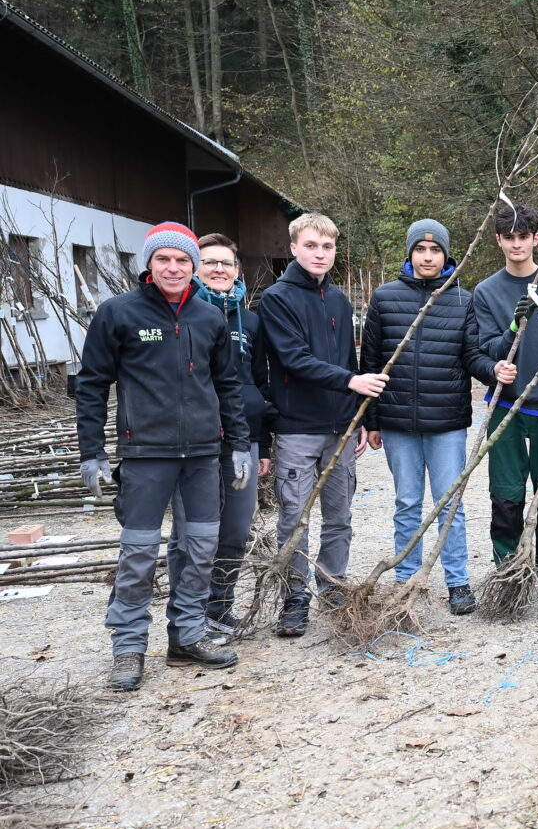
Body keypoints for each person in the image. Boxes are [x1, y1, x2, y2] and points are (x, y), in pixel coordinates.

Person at [75, 222, 248, 691]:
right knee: (138, 554)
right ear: (148, 264)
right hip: (145, 455)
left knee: (200, 549)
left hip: (202, 456)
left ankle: (186, 637)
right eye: (164, 259)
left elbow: (228, 386)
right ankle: (128, 647)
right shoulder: (118, 313)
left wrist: (238, 446)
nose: (173, 268)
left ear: (193, 266)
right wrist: (91, 452)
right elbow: (91, 383)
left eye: (182, 260)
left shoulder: (209, 318)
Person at [259, 213, 387, 637]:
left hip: (339, 427)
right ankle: (295, 597)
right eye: (311, 246)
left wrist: (359, 417)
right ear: (294, 247)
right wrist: (351, 381)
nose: (319, 254)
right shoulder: (277, 299)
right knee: (294, 516)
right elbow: (293, 358)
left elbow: (350, 362)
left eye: (327, 247)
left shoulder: (338, 300)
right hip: (298, 427)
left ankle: (333, 587)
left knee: (340, 515)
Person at [361, 219, 495, 615]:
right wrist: (371, 420)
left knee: (449, 503)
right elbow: (369, 362)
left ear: (446, 255)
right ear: (410, 253)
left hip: (446, 422)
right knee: (406, 502)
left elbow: (472, 355)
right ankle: (407, 580)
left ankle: (457, 581)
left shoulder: (461, 300)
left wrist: (495, 370)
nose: (428, 256)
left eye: (435, 250)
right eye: (420, 249)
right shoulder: (384, 298)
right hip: (398, 421)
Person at [469, 204, 538, 605]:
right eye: (509, 237)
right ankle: (509, 573)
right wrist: (512, 331)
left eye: (524, 237)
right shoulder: (485, 291)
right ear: (499, 240)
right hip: (506, 407)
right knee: (506, 492)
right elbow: (484, 351)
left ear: (537, 240)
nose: (517, 244)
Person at [169, 233, 273, 644]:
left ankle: (219, 609)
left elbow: (258, 383)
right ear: (196, 269)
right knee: (192, 536)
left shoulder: (251, 322)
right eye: (209, 262)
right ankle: (186, 619)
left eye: (225, 263)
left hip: (242, 443)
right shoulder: (180, 316)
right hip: (195, 445)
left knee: (234, 531)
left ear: (237, 270)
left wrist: (262, 444)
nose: (218, 269)